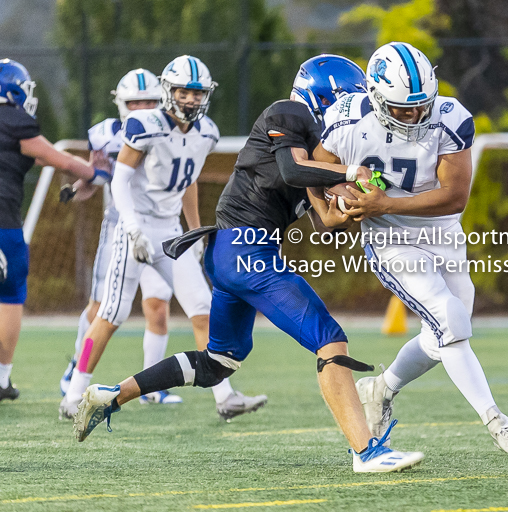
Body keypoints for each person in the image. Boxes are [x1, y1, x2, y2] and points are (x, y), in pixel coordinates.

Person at [73, 54, 425, 473]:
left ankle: (111, 395)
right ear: (328, 94)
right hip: (245, 248)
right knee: (330, 338)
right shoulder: (289, 113)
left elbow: (325, 221)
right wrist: (352, 171)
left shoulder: (317, 148)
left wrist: (361, 205)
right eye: (349, 99)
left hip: (237, 253)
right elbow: (293, 169)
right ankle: (367, 452)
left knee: (217, 362)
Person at [314, 42, 508, 458]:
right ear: (378, 99)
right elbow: (317, 170)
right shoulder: (347, 120)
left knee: (446, 333)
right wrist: (343, 199)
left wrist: (385, 202)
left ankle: (381, 389)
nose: (415, 115)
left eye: (421, 106)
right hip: (389, 238)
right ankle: (497, 422)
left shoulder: (451, 117)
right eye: (403, 108)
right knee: (449, 319)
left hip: (442, 230)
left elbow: (455, 197)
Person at [60, 55, 267, 421]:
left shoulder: (207, 132)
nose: (190, 99)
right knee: (111, 313)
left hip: (170, 231)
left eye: (197, 92)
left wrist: (195, 229)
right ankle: (74, 393)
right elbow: (120, 180)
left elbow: (187, 183)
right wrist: (133, 226)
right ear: (168, 92)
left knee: (203, 308)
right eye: (183, 91)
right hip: (133, 226)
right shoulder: (144, 124)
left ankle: (225, 396)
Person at [59, 68, 182, 415]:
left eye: (149, 100)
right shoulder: (106, 135)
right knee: (102, 311)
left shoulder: (175, 131)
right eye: (135, 101)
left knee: (158, 308)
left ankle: (151, 388)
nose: (143, 106)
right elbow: (100, 177)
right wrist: (79, 187)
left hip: (162, 227)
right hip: (121, 230)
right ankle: (76, 373)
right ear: (121, 103)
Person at [0, 58, 111, 401]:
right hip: (3, 223)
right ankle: (1, 379)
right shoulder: (14, 121)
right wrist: (96, 174)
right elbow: (56, 157)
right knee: (9, 295)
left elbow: (34, 156)